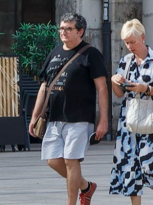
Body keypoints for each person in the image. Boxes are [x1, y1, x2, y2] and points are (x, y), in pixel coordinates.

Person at [30, 13, 109, 205]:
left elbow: (102, 88)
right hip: (54, 116)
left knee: (71, 161)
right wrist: (34, 116)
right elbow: (44, 87)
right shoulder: (55, 53)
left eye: (68, 29)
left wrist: (103, 120)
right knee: (52, 160)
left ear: (80, 31)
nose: (63, 32)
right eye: (61, 28)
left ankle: (72, 202)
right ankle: (86, 187)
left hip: (79, 117)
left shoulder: (91, 54)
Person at [109, 19, 153, 205]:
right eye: (126, 42)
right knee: (130, 166)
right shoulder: (126, 62)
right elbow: (119, 94)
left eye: (133, 42)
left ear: (143, 38)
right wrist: (114, 80)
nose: (130, 46)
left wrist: (145, 89)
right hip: (129, 120)